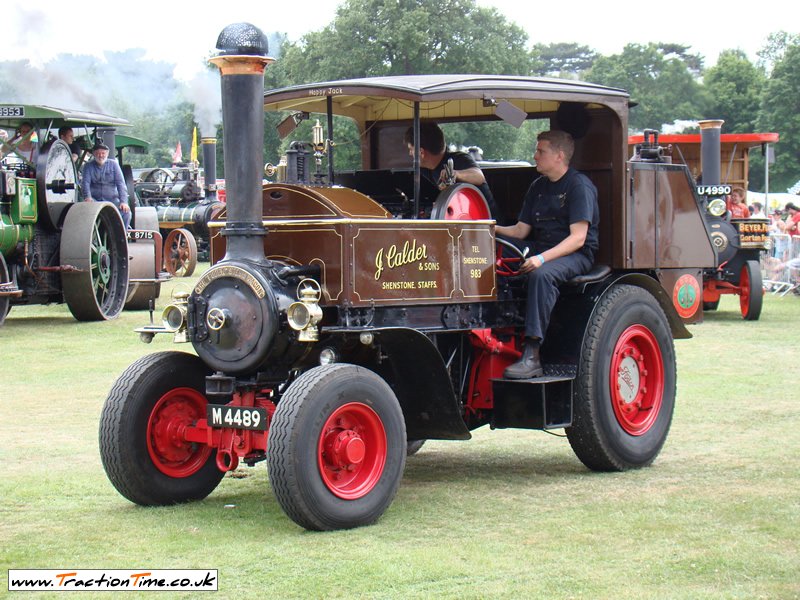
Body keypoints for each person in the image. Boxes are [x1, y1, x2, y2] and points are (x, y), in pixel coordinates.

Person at [495, 130, 599, 379]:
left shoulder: (578, 186)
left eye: (541, 151)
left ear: (559, 156)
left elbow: (578, 238)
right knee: (499, 267)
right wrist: (488, 228)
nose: (535, 156)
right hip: (542, 249)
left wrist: (541, 259)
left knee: (541, 275)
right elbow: (520, 230)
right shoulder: (538, 186)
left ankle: (532, 355)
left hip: (577, 255)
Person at [404, 121, 499, 218]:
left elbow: (479, 177)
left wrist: (455, 174)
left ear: (421, 152)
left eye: (411, 149)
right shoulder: (424, 169)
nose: (410, 154)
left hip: (489, 225)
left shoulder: (460, 159)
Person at [82, 141, 131, 228]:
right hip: (95, 200)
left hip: (112, 200)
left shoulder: (114, 165)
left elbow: (121, 184)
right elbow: (85, 183)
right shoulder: (88, 166)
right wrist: (88, 197)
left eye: (103, 153)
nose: (100, 155)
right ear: (94, 154)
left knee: (126, 213)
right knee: (85, 212)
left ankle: (121, 238)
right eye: (98, 153)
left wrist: (124, 202)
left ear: (107, 154)